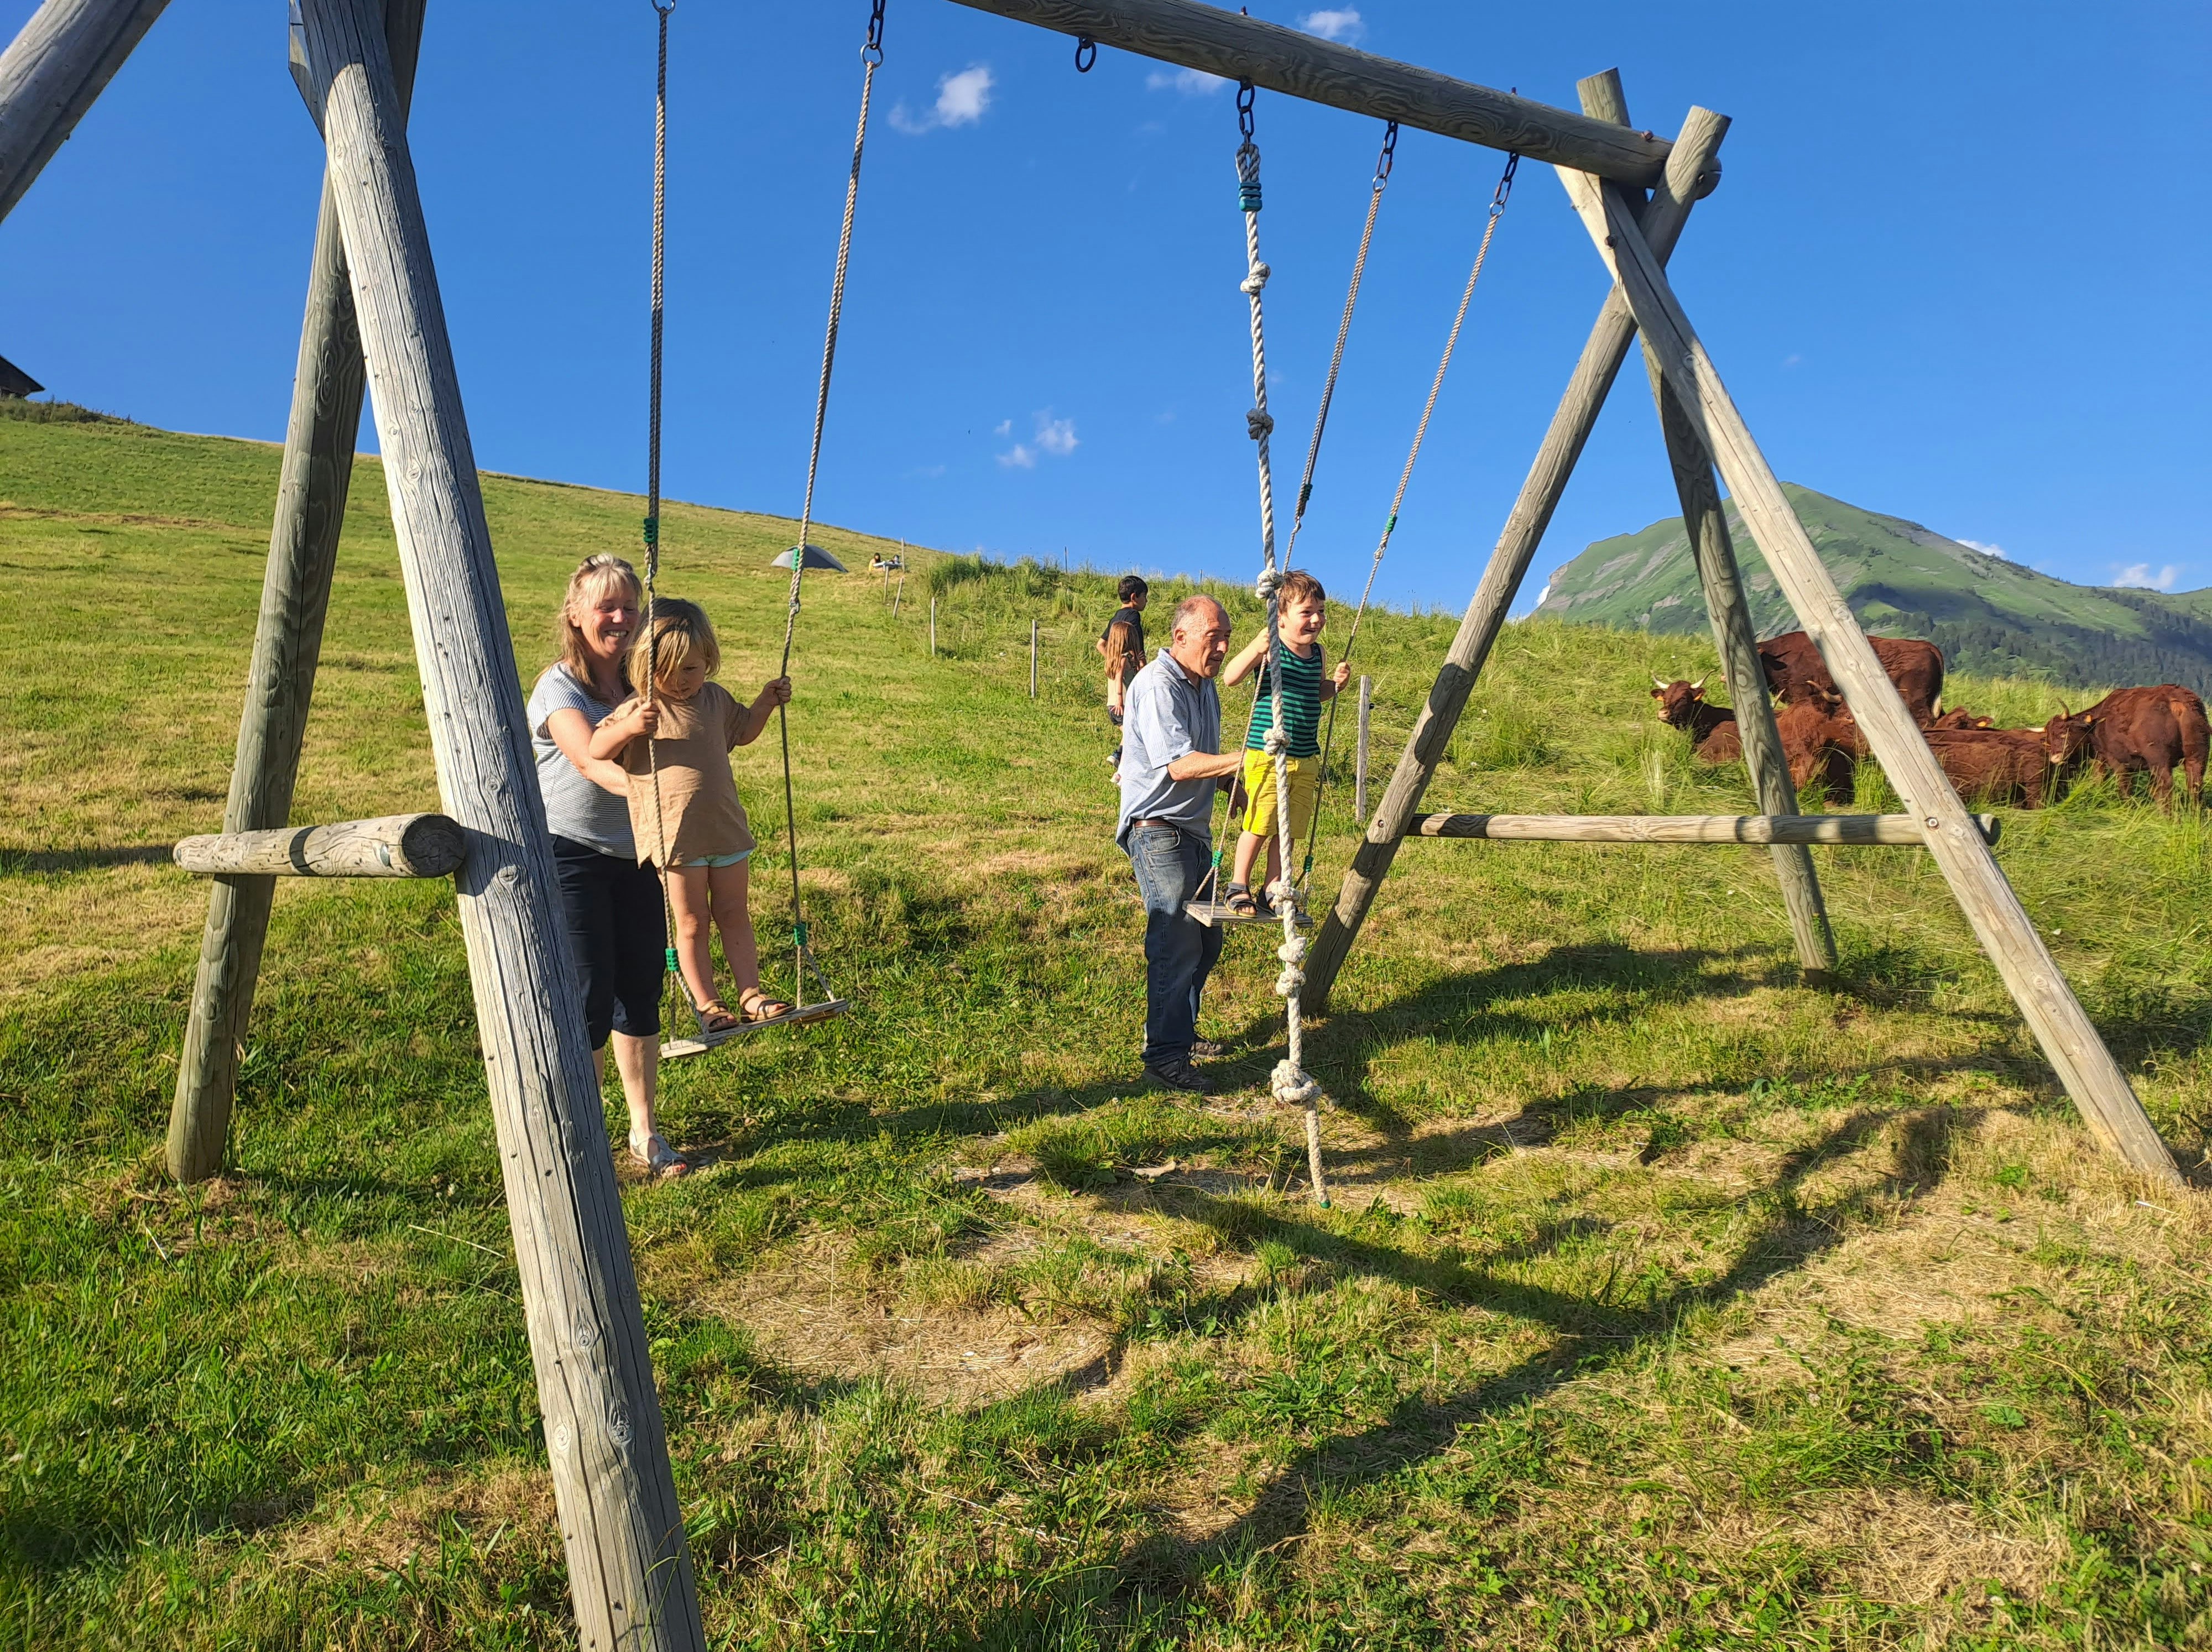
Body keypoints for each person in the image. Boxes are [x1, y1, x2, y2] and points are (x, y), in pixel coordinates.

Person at [526, 555, 686, 1179]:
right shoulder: (559, 687)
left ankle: (644, 1132)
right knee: (590, 996)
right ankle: (583, 1138)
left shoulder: (645, 682)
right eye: (606, 607)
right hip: (572, 855)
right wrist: (654, 796)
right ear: (575, 614)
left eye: (630, 607)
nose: (620, 618)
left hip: (637, 853)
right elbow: (588, 762)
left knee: (641, 988)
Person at [589, 597, 794, 1036]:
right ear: (645, 665)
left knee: (735, 912)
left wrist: (765, 702)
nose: (680, 681)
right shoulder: (641, 709)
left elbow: (743, 733)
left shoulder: (716, 699)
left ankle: (751, 995)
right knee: (692, 921)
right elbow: (596, 750)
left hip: (725, 829)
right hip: (674, 840)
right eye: (666, 670)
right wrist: (627, 729)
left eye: (691, 669)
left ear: (709, 663)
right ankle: (707, 1004)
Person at [1116, 593, 1242, 1092]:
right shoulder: (1158, 684)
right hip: (1157, 828)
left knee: (1208, 937)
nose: (1223, 647)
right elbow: (1180, 765)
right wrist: (1248, 760)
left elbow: (1206, 760)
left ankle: (1180, 1035)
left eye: (1227, 638)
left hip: (1194, 830)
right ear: (1181, 636)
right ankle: (1165, 1056)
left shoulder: (1205, 687)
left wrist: (1238, 785)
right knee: (1176, 937)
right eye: (1215, 637)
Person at [1219, 569, 1350, 917]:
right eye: (1306, 612)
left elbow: (1315, 693)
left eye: (1321, 611)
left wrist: (1335, 686)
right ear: (1280, 618)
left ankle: (1272, 886)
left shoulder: (1318, 655)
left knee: (1288, 829)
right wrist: (1255, 648)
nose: (1317, 619)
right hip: (1267, 754)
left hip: (1306, 756)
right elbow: (1231, 677)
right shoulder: (1271, 651)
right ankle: (1238, 884)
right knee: (1260, 823)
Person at [1098, 574, 1150, 777]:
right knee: (1134, 732)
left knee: (1130, 733)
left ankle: (1122, 765)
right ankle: (1120, 761)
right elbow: (1139, 651)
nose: (1146, 601)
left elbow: (1100, 644)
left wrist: (1112, 658)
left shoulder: (1115, 617)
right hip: (1125, 697)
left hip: (1112, 702)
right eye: (1145, 597)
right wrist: (1140, 668)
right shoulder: (1133, 617)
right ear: (1135, 597)